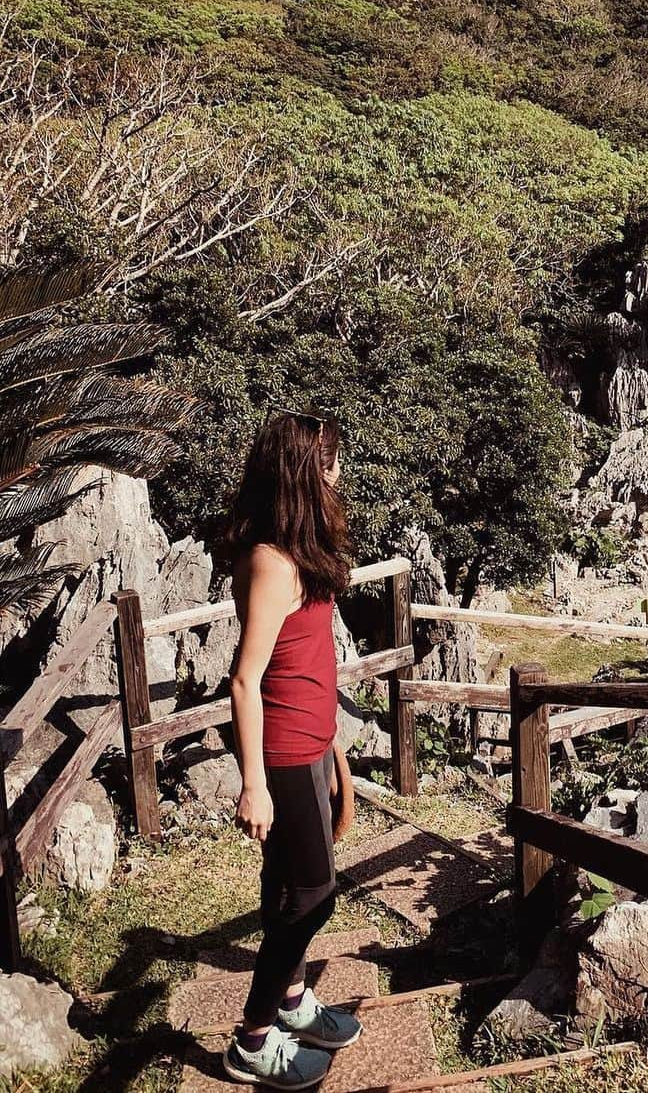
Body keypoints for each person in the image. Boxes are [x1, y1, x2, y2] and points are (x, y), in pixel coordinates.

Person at [221, 410, 362, 1088]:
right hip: (279, 753)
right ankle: (252, 1036)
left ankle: (292, 998)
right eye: (331, 458)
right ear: (306, 470)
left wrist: (331, 742)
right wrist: (253, 783)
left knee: (288, 887)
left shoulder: (298, 545)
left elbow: (304, 660)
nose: (340, 470)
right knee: (314, 895)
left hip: (310, 742)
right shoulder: (271, 561)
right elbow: (245, 680)